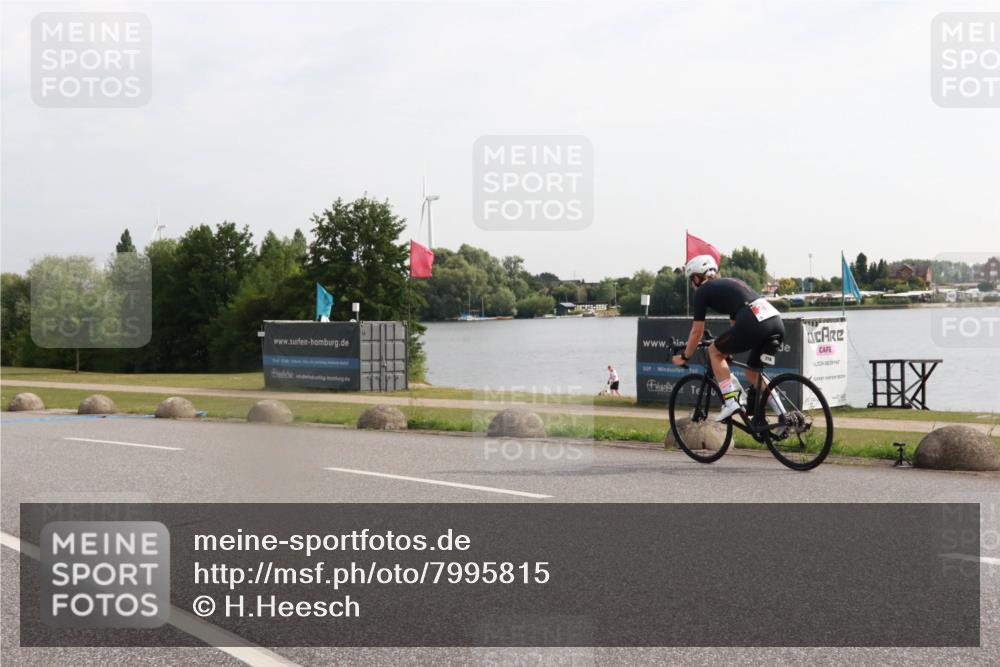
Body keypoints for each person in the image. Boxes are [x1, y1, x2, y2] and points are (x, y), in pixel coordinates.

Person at [671, 255, 786, 421]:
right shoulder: (730, 283)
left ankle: (730, 401)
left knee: (714, 352)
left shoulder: (703, 291)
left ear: (697, 277)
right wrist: (727, 350)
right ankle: (783, 416)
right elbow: (735, 326)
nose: (691, 284)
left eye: (691, 279)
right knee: (752, 374)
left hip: (754, 323)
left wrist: (685, 356)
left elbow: (697, 332)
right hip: (775, 322)